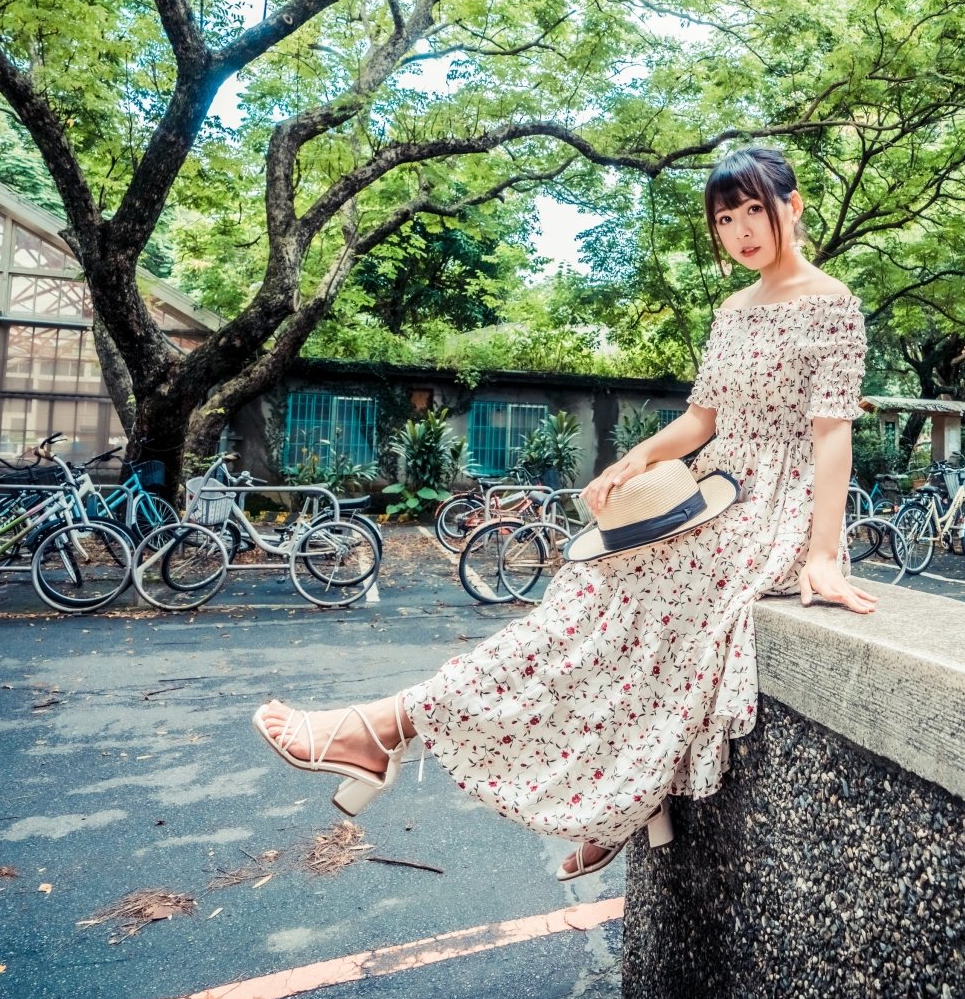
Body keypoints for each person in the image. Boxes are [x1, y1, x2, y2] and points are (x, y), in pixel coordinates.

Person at [253, 144, 879, 881]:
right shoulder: (732, 309)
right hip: (713, 487)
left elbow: (831, 431)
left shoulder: (831, 303)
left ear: (793, 205)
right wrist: (631, 461)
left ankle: (388, 728)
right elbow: (702, 418)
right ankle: (610, 794)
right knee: (591, 589)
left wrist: (822, 553)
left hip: (775, 503)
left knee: (623, 602)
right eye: (724, 217)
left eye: (753, 210)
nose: (741, 230)